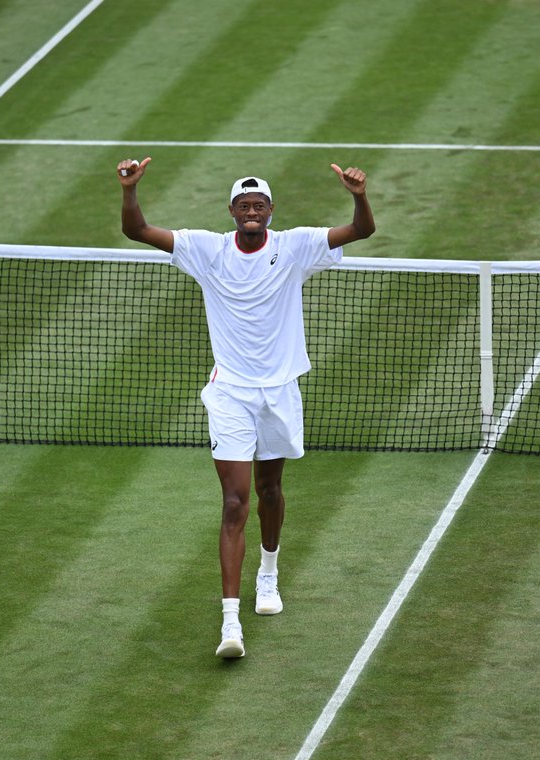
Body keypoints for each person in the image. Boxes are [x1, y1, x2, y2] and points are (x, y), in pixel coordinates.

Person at [116, 157, 375, 658]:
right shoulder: (207, 250)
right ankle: (230, 624)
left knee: (269, 490)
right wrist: (129, 190)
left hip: (279, 393)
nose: (251, 212)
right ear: (231, 211)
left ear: (270, 211)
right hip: (230, 394)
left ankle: (269, 574)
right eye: (243, 205)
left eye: (259, 205)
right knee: (235, 503)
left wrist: (359, 196)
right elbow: (138, 231)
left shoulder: (294, 246)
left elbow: (361, 231)